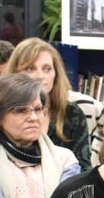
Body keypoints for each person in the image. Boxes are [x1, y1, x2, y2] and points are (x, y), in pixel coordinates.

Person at [8, 37, 92, 170]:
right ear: (15, 74)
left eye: (47, 69)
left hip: (64, 188)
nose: (40, 76)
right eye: (30, 69)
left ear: (56, 74)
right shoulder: (2, 114)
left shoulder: (72, 114)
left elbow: (83, 169)